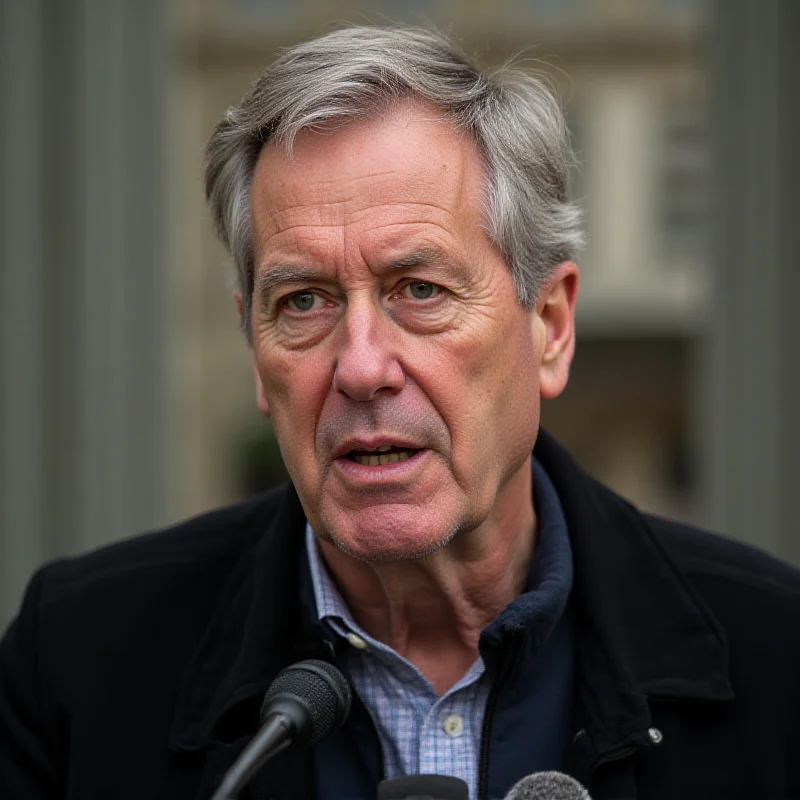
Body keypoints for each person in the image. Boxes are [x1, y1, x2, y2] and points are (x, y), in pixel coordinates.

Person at [1, 25, 799, 800]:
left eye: (420, 291)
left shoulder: (775, 655)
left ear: (550, 326)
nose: (360, 367)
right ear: (255, 348)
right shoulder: (76, 664)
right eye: (303, 301)